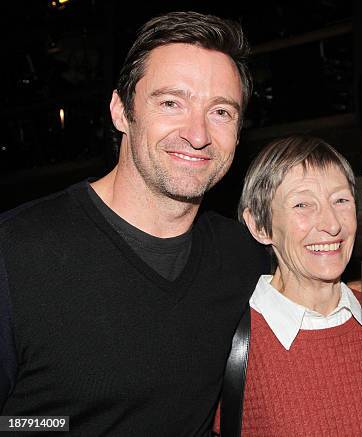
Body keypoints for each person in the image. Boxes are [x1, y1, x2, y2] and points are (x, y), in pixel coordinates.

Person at [0, 11, 267, 435]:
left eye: (220, 111)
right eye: (170, 103)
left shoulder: (244, 256)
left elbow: (353, 295)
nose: (197, 134)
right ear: (121, 112)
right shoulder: (16, 252)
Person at [234, 135, 362, 435]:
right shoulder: (226, 340)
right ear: (260, 225)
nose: (331, 224)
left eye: (340, 200)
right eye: (302, 204)